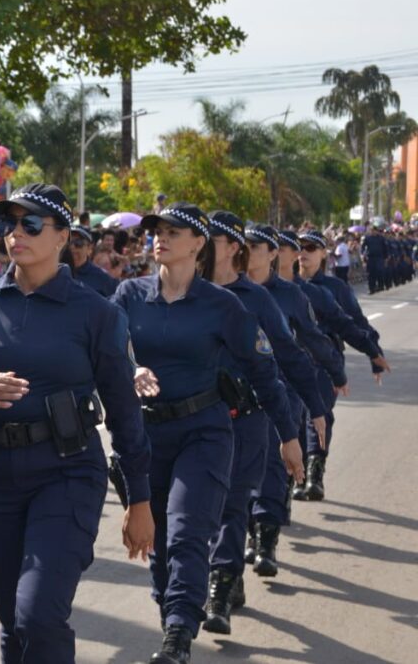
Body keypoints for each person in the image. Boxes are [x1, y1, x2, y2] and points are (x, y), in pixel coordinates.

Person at [0, 183, 153, 662]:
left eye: (31, 224)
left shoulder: (95, 313)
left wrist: (138, 497)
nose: (15, 234)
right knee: (12, 618)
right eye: (6, 224)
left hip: (67, 472)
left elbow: (123, 408)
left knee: (38, 614)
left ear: (62, 236)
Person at [111, 203, 295, 664]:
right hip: (147, 436)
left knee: (189, 528)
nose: (161, 238)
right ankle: (170, 615)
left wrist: (289, 436)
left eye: (174, 232)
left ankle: (178, 635)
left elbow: (264, 371)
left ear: (198, 243)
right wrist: (130, 369)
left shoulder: (222, 305)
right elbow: (102, 353)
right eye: (157, 231)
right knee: (159, 540)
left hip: (204, 433)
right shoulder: (128, 296)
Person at [198, 212, 321, 635]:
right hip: (188, 426)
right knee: (194, 513)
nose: (200, 243)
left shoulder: (256, 298)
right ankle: (211, 582)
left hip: (243, 419)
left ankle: (221, 585)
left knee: (232, 506)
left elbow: (287, 356)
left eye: (208, 237)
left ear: (232, 246)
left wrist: (315, 409)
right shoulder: (179, 291)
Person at [242, 224, 345, 582]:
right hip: (234, 399)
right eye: (244, 244)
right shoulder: (222, 290)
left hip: (281, 394)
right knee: (236, 479)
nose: (248, 250)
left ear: (272, 253)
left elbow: (309, 344)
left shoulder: (290, 296)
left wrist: (335, 377)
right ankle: (236, 558)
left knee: (273, 469)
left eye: (256, 245)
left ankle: (266, 541)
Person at [295, 229, 390, 500]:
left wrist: (374, 355)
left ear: (323, 253)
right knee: (296, 420)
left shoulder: (335, 288)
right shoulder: (284, 285)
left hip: (326, 362)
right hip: (292, 363)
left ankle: (315, 475)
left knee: (319, 413)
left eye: (311, 248)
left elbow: (356, 324)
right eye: (300, 247)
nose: (303, 253)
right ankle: (298, 475)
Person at [69, 224, 118, 297]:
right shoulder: (52, 273)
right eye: (67, 242)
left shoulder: (102, 278)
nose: (71, 247)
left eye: (78, 243)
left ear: (89, 248)